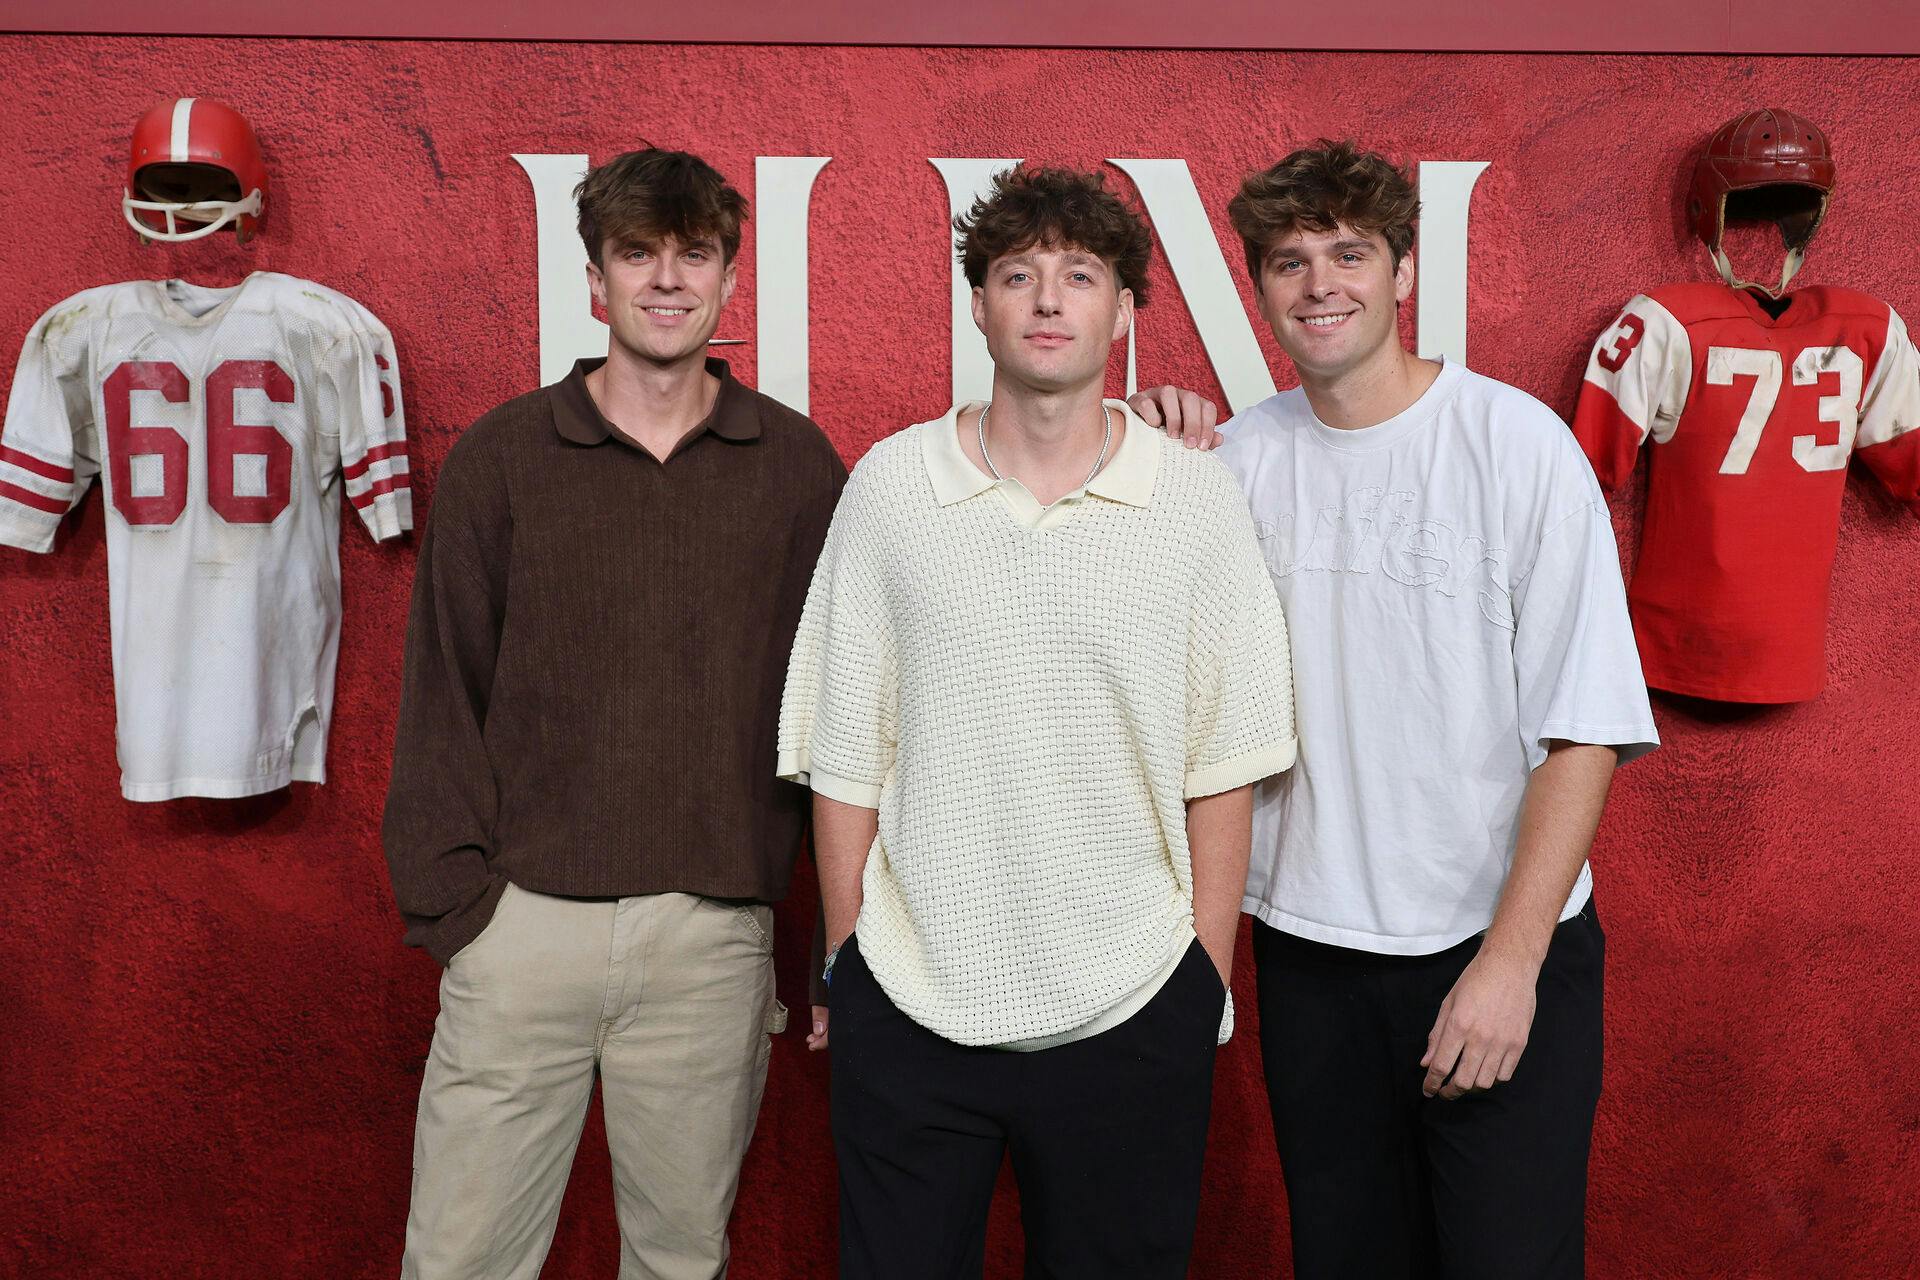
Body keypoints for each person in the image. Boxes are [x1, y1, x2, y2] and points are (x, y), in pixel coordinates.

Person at [1133, 140, 1659, 1279]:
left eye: (1349, 253)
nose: (1320, 283)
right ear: (1260, 287)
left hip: (1501, 942)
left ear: (1404, 271)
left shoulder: (1516, 447)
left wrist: (1510, 964)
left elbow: (1587, 727)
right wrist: (1143, 432)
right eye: (1288, 261)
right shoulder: (1235, 461)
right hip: (1313, 954)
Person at [777, 164, 1298, 1279]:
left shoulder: (1197, 498)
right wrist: (847, 961)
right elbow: (843, 746)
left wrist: (1201, 974)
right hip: (912, 1001)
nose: (1050, 300)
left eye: (1080, 275)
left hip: (1134, 1000)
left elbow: (1229, 755)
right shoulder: (890, 487)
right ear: (979, 304)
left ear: (1124, 308)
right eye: (1020, 275)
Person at [382, 148, 847, 1280]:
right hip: (520, 925)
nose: (668, 279)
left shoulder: (795, 466)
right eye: (638, 253)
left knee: (682, 1260)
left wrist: (792, 912)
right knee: (460, 1258)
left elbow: (841, 700)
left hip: (709, 934)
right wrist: (460, 908)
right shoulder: (503, 456)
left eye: (695, 253)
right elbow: (443, 684)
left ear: (732, 279)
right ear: (595, 281)